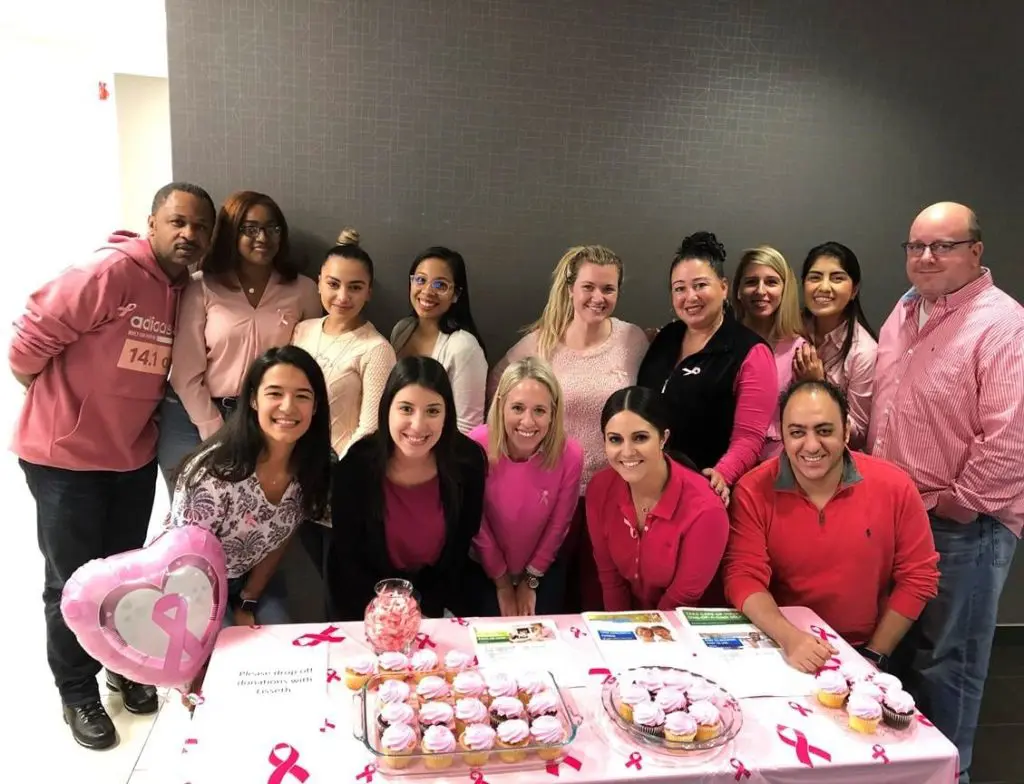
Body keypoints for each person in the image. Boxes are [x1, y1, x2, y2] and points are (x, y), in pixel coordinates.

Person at [10, 182, 215, 749]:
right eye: (178, 221)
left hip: (130, 458)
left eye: (200, 227)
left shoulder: (184, 290)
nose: (188, 234)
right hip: (65, 459)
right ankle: (77, 692)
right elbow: (28, 341)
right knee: (72, 582)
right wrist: (55, 398)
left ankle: (120, 667)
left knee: (126, 575)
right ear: (151, 223)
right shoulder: (108, 272)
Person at [870, 202, 1024, 784]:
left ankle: (948, 775)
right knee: (905, 654)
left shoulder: (1003, 323)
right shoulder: (907, 308)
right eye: (916, 246)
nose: (926, 257)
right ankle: (907, 768)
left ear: (976, 252)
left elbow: (1010, 444)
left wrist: (948, 505)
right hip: (902, 517)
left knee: (948, 660)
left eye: (943, 246)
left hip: (964, 523)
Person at [724, 379, 939, 673]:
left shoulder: (895, 486)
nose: (811, 445)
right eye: (797, 433)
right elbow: (743, 576)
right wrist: (789, 638)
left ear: (846, 431)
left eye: (824, 431)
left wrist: (874, 655)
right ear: (783, 436)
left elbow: (919, 577)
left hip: (864, 646)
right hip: (781, 640)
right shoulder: (752, 488)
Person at [490, 245, 650, 613]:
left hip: (613, 491)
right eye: (589, 287)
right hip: (551, 494)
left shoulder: (633, 340)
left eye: (608, 289)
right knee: (554, 599)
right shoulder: (539, 343)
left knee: (601, 594)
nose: (598, 298)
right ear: (570, 289)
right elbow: (499, 392)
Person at [158, 190, 321, 494]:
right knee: (193, 520)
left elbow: (309, 365)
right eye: (249, 228)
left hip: (265, 417)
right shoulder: (202, 285)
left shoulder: (303, 290)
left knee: (249, 515)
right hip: (193, 417)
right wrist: (217, 431)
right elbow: (184, 373)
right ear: (232, 232)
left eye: (272, 228)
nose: (263, 237)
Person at [165, 345, 332, 626]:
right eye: (275, 393)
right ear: (253, 399)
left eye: (302, 396)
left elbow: (280, 537)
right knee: (226, 659)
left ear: (315, 407)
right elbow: (186, 562)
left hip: (251, 580)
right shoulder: (213, 473)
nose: (288, 407)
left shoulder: (313, 466)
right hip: (190, 587)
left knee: (279, 648)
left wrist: (248, 600)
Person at [326, 356, 487, 620]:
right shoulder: (356, 466)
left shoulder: (467, 462)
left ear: (447, 414)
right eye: (406, 409)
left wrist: (426, 609)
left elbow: (460, 545)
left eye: (433, 411)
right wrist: (389, 614)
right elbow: (348, 557)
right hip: (364, 605)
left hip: (437, 602)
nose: (418, 425)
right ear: (387, 408)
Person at [638, 231, 776, 506]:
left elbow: (749, 437)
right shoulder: (665, 338)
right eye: (679, 288)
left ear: (723, 287)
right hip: (649, 487)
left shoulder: (750, 352)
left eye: (700, 285)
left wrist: (721, 475)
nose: (690, 296)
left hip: (705, 493)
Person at [291, 228, 397, 579]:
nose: (342, 296)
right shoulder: (301, 331)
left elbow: (370, 427)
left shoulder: (376, 349)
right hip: (292, 474)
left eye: (354, 287)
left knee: (338, 580)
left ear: (368, 291)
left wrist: (328, 470)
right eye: (334, 284)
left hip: (341, 484)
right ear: (319, 282)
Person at [586, 387, 730, 612]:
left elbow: (683, 599)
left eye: (640, 438)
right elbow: (611, 580)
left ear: (663, 438)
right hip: (633, 626)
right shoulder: (599, 488)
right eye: (615, 439)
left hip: (691, 628)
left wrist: (642, 639)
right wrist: (621, 632)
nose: (627, 452)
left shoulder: (706, 509)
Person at [468, 357, 583, 616]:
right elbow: (476, 522)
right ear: (501, 406)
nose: (528, 422)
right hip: (484, 569)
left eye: (539, 411)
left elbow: (559, 524)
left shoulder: (571, 455)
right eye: (518, 408)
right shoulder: (475, 445)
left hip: (541, 569)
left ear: (553, 413)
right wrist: (502, 582)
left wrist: (531, 579)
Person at [390, 247, 488, 434]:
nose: (427, 291)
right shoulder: (402, 330)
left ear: (456, 295)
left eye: (440, 285)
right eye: (420, 280)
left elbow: (467, 429)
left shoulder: (464, 347)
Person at [795, 241, 878, 449]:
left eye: (837, 278)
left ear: (854, 290)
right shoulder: (790, 329)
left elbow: (858, 435)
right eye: (815, 277)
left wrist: (819, 385)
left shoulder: (863, 352)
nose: (824, 287)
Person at [732, 245, 807, 460]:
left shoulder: (799, 351)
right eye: (751, 282)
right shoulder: (724, 341)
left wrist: (814, 382)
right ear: (738, 290)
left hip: (776, 463)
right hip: (725, 458)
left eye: (771, 282)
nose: (760, 291)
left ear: (785, 290)